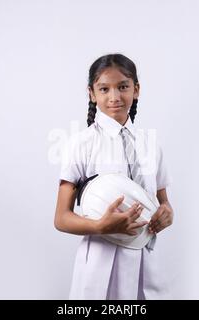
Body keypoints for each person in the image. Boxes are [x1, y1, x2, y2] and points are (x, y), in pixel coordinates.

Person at [54, 53, 174, 300]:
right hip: (102, 262)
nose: (115, 97)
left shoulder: (151, 145)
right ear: (91, 93)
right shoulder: (81, 144)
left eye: (123, 87)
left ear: (136, 89)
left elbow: (164, 203)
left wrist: (167, 214)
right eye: (104, 89)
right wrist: (99, 226)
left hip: (147, 261)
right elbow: (61, 218)